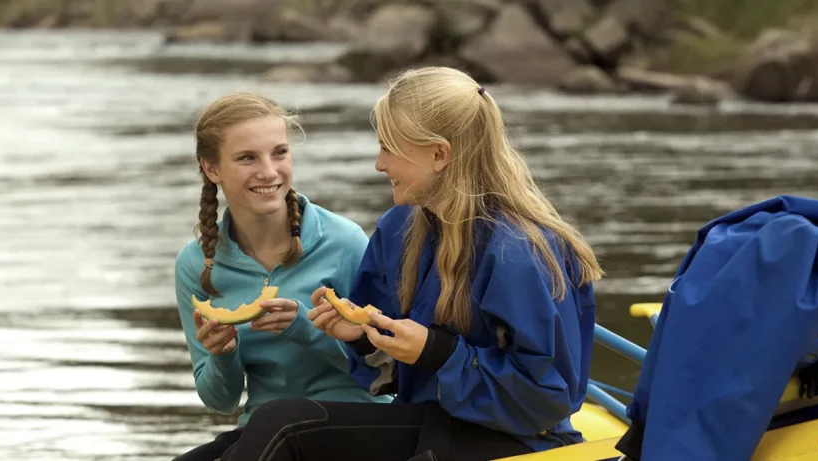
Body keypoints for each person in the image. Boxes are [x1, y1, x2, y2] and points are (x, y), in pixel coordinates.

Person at [218, 67, 605, 461]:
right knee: (253, 431)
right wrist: (362, 335)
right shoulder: (399, 228)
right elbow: (390, 364)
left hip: (515, 442)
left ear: (439, 154)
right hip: (430, 421)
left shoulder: (519, 252)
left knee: (284, 426)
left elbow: (547, 399)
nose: (379, 164)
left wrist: (437, 351)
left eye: (388, 148)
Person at [171, 92, 391, 461]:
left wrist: (304, 329)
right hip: (262, 429)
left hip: (356, 419)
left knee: (279, 422)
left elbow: (384, 368)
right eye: (247, 158)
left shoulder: (344, 241)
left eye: (280, 153)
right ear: (212, 169)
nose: (270, 171)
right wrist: (223, 354)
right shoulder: (195, 265)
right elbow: (220, 401)